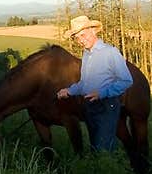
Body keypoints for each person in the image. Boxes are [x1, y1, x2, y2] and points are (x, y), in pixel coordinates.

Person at [56, 14, 133, 154]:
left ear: (93, 30)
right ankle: (103, 171)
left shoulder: (110, 52)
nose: (81, 40)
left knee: (102, 150)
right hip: (90, 106)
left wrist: (102, 93)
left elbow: (126, 80)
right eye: (77, 38)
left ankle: (110, 172)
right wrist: (69, 90)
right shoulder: (87, 54)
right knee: (95, 147)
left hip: (106, 105)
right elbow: (84, 83)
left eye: (83, 35)